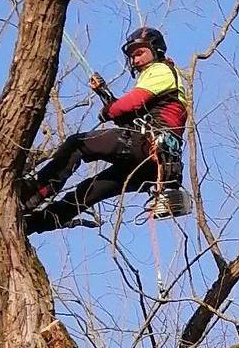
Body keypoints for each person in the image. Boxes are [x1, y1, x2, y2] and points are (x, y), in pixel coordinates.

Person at [23, 27, 192, 231]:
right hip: (152, 164)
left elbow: (131, 103)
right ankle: (33, 224)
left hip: (147, 146)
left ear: (155, 50)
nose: (136, 60)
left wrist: (109, 110)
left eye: (140, 53)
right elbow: (128, 118)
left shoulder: (161, 70)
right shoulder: (159, 89)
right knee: (88, 192)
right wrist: (105, 95)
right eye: (132, 56)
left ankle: (32, 192)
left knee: (77, 144)